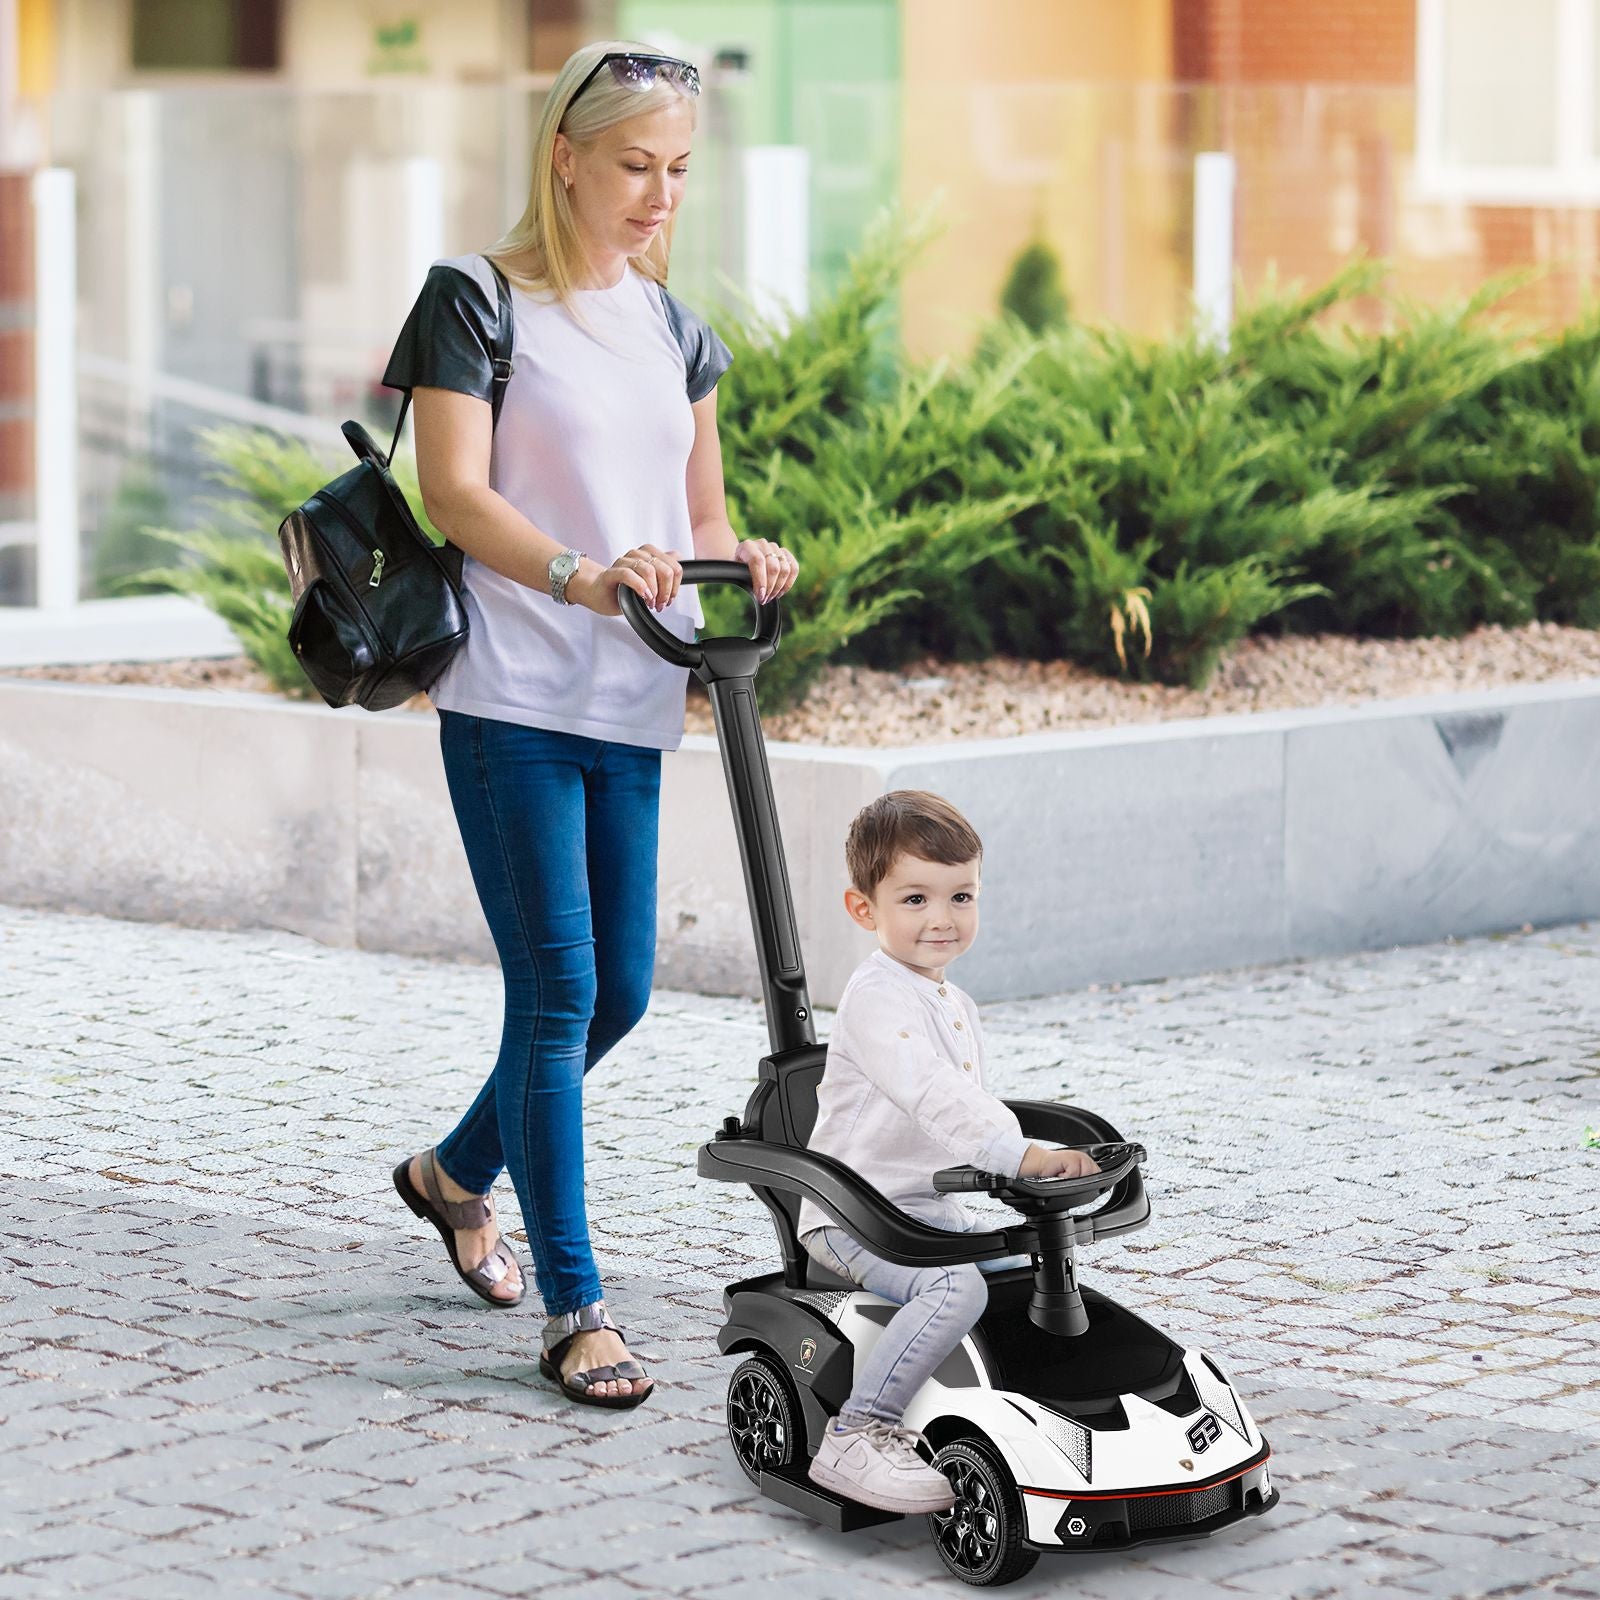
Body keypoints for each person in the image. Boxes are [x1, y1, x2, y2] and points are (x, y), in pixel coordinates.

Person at [382, 41, 799, 1411]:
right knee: (557, 994)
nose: (658, 196)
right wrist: (578, 573)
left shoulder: (673, 328)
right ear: (564, 152)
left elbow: (700, 518)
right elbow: (455, 491)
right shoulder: (477, 302)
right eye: (634, 165)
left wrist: (746, 563)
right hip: (511, 694)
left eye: (679, 171)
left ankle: (453, 1173)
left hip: (632, 702)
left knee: (617, 991)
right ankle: (576, 1307)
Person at [798, 790, 1100, 1510]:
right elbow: (932, 1094)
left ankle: (1030, 1407)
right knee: (955, 1286)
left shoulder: (952, 1003)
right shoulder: (878, 998)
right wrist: (1019, 1155)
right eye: (914, 899)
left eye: (960, 895)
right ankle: (858, 1433)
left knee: (1020, 1263)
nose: (942, 918)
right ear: (864, 910)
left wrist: (1028, 1165)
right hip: (851, 1219)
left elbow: (965, 1113)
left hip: (920, 1210)